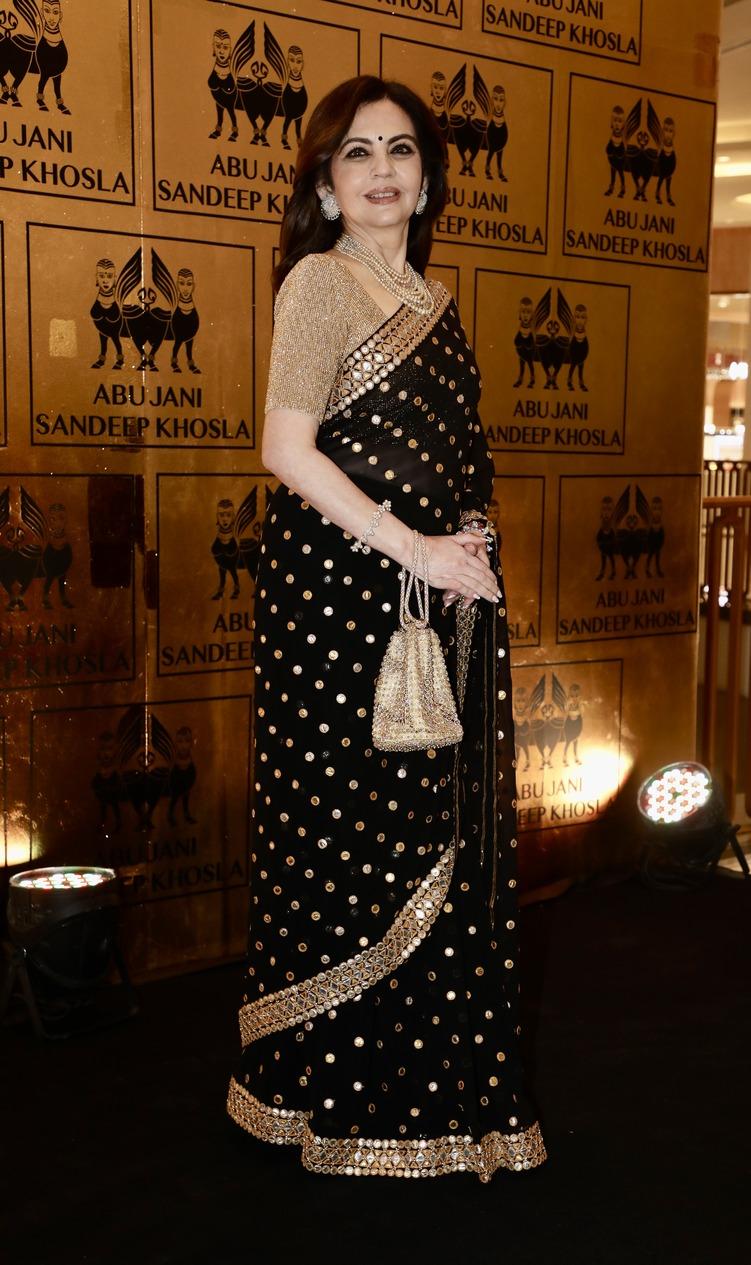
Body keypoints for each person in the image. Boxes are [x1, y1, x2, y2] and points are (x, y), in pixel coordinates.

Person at [226, 74, 547, 1182]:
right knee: (350, 835)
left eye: (399, 149)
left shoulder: (437, 301)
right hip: (340, 608)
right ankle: (332, 1097)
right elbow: (284, 447)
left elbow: (458, 459)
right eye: (356, 152)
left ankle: (437, 1097)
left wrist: (468, 545)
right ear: (324, 181)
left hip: (437, 601)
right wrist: (414, 548)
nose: (379, 170)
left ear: (427, 175)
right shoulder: (321, 282)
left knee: (435, 833)